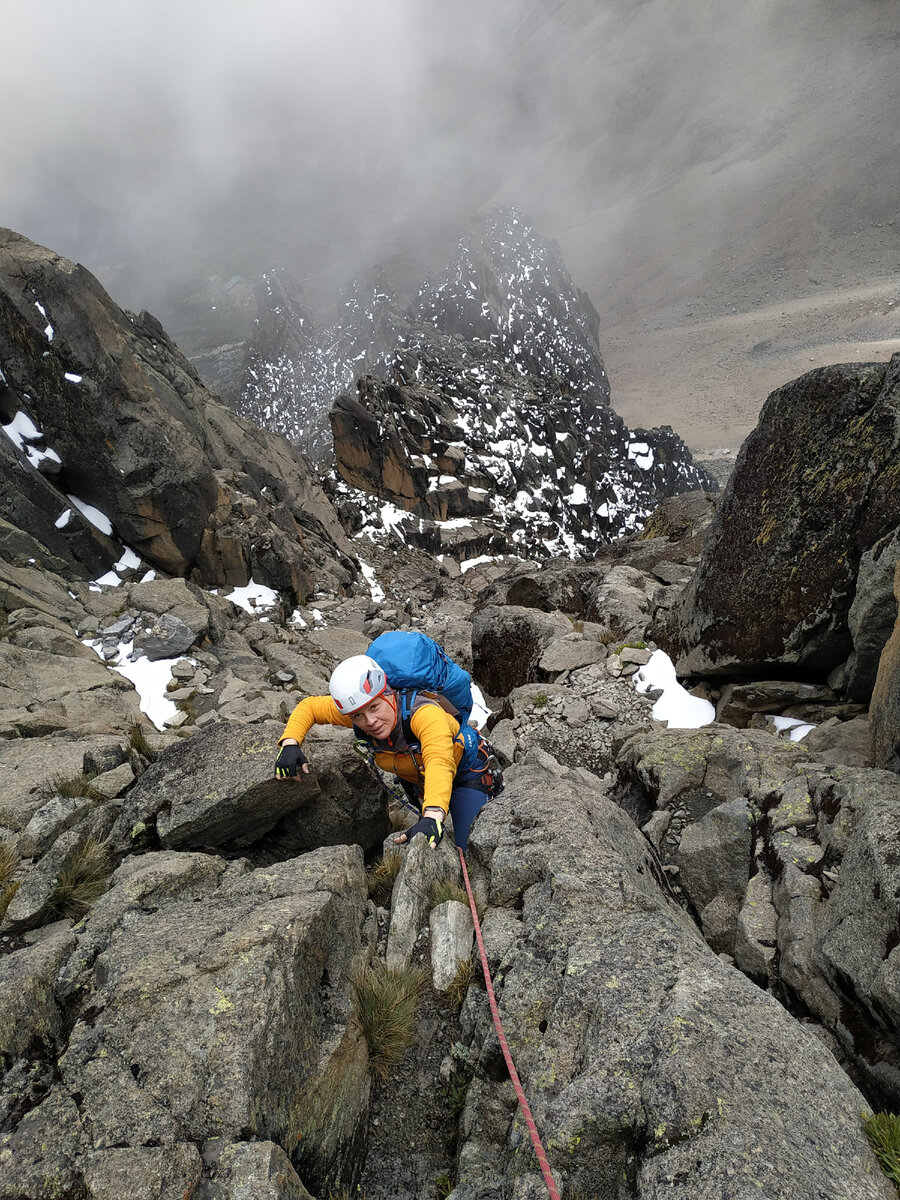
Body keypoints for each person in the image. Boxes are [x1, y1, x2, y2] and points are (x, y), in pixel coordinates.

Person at [273, 654, 501, 852]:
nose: (369, 721)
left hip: (467, 772)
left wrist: (432, 815)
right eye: (358, 716)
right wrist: (291, 743)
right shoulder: (357, 706)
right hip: (417, 779)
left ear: (389, 694)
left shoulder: (425, 714)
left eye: (374, 708)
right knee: (429, 840)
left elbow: (438, 760)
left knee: (467, 847)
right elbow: (310, 707)